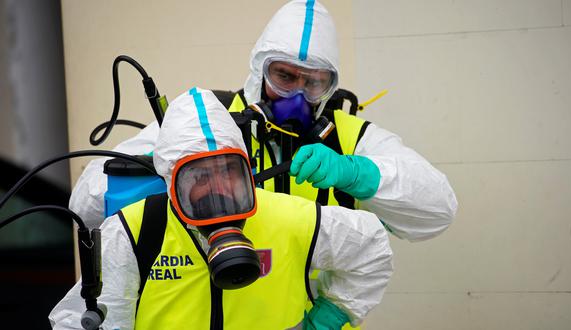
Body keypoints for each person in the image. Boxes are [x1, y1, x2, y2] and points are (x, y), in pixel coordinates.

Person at [70, 0, 457, 243]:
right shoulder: (207, 121)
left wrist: (357, 174)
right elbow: (87, 201)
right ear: (260, 72)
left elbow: (437, 210)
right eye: (284, 77)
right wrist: (174, 172)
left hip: (312, 314)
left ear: (331, 84)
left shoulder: (352, 139)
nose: (297, 97)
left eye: (314, 82)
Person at [50, 88, 393, 330]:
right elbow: (88, 318)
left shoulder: (289, 217)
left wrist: (330, 316)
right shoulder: (137, 229)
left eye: (229, 171)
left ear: (247, 170)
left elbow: (372, 248)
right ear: (172, 183)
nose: (218, 190)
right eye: (198, 176)